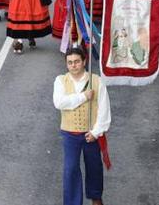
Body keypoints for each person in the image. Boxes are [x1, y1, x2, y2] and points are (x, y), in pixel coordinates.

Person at [53, 47, 111, 205]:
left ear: (84, 61)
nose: (73, 65)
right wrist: (83, 96)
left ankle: (96, 198)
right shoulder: (60, 80)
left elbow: (104, 110)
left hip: (90, 133)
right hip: (69, 133)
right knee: (70, 169)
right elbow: (60, 102)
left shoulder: (97, 81)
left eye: (77, 61)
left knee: (94, 167)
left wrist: (96, 131)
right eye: (70, 62)